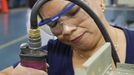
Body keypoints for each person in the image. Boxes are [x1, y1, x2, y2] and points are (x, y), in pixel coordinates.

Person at [1, 0, 134, 75]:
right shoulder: (50, 56)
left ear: (100, 1)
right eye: (53, 24)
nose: (66, 30)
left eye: (73, 12)